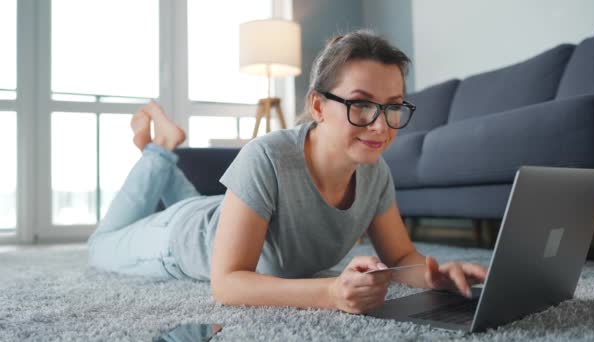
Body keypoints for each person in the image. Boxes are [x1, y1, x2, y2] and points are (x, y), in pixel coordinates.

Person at [88, 30, 487, 315]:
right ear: (317, 106)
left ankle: (161, 150)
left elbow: (400, 255)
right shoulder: (267, 157)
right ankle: (157, 150)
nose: (381, 126)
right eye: (361, 105)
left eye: (393, 107)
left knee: (199, 207)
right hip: (176, 240)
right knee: (99, 245)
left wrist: (433, 275)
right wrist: (332, 293)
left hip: (216, 212)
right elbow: (227, 283)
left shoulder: (374, 172)